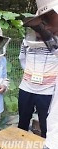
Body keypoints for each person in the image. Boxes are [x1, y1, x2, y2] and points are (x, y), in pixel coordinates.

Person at [18, 0, 58, 138]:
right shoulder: (26, 42)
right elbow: (22, 59)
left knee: (45, 124)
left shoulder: (54, 44)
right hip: (27, 87)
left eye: (40, 27)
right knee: (22, 122)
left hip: (47, 90)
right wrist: (29, 73)